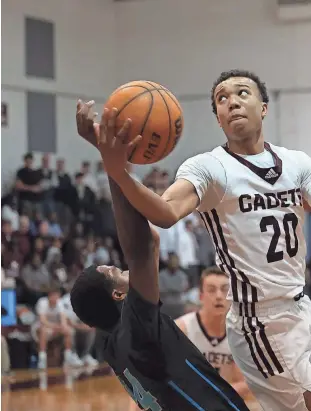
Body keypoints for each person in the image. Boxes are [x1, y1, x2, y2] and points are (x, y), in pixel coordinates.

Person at [77, 68, 311, 411]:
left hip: (302, 308)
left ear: (263, 107)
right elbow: (165, 214)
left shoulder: (297, 163)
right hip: (259, 322)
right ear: (218, 119)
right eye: (222, 99)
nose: (232, 102)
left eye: (242, 93)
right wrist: (120, 173)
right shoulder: (208, 168)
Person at [71, 104, 250, 411]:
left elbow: (149, 240)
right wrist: (115, 167)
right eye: (115, 270)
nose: (121, 266)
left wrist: (114, 164)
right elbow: (142, 249)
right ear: (117, 293)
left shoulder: (112, 344)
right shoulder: (137, 329)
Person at [175, 266, 250, 399]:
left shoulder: (240, 336)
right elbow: (156, 374)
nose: (219, 296)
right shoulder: (182, 329)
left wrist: (215, 392)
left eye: (225, 289)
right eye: (211, 290)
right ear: (200, 296)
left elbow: (245, 383)